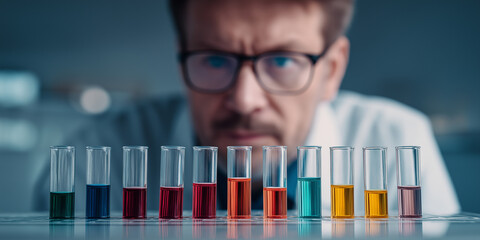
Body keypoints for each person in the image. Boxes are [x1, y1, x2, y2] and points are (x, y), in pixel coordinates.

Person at [34, 0, 460, 216]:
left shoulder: (396, 146)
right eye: (215, 59)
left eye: (281, 61)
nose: (244, 100)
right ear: (182, 62)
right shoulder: (93, 163)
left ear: (331, 71)